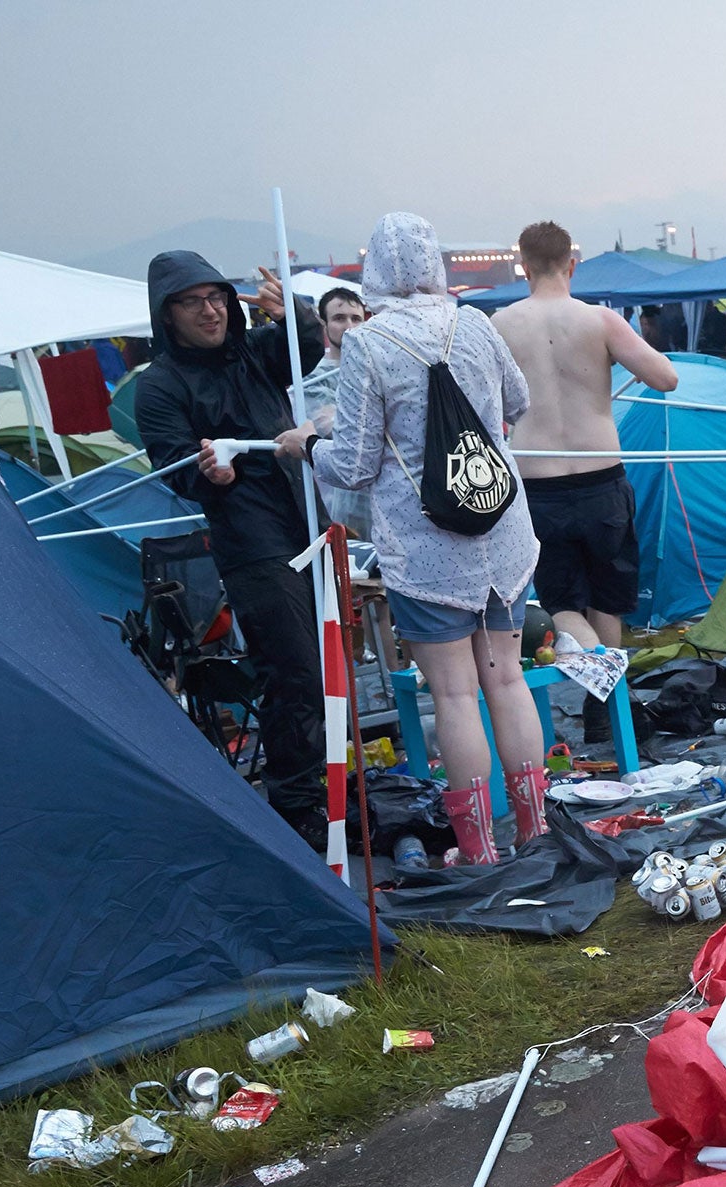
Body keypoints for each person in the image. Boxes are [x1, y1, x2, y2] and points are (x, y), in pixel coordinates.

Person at [275, 213, 542, 866]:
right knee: (507, 680)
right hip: (500, 526)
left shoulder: (369, 344)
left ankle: (478, 851)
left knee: (453, 695)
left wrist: (309, 444)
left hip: (426, 546)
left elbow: (357, 464)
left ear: (376, 276)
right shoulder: (476, 324)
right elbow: (518, 398)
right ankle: (536, 831)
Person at [136, 249, 329, 849]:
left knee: (329, 665)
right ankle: (297, 803)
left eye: (216, 297)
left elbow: (309, 344)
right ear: (167, 315)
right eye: (192, 302)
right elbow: (172, 464)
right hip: (250, 540)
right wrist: (205, 475)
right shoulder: (159, 386)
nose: (210, 311)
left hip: (308, 519)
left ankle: (333, 785)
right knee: (294, 667)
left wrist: (289, 309)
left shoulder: (254, 352)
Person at [490, 219, 677, 733]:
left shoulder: (500, 325)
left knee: (561, 602)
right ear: (573, 265)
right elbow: (667, 378)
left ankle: (602, 693)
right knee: (607, 598)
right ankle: (608, 697)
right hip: (600, 479)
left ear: (522, 266)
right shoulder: (599, 321)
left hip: (537, 485)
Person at [305, 287, 372, 535]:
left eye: (356, 318)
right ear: (324, 325)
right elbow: (331, 427)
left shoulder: (376, 367)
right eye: (339, 318)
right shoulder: (314, 377)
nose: (349, 326)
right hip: (341, 501)